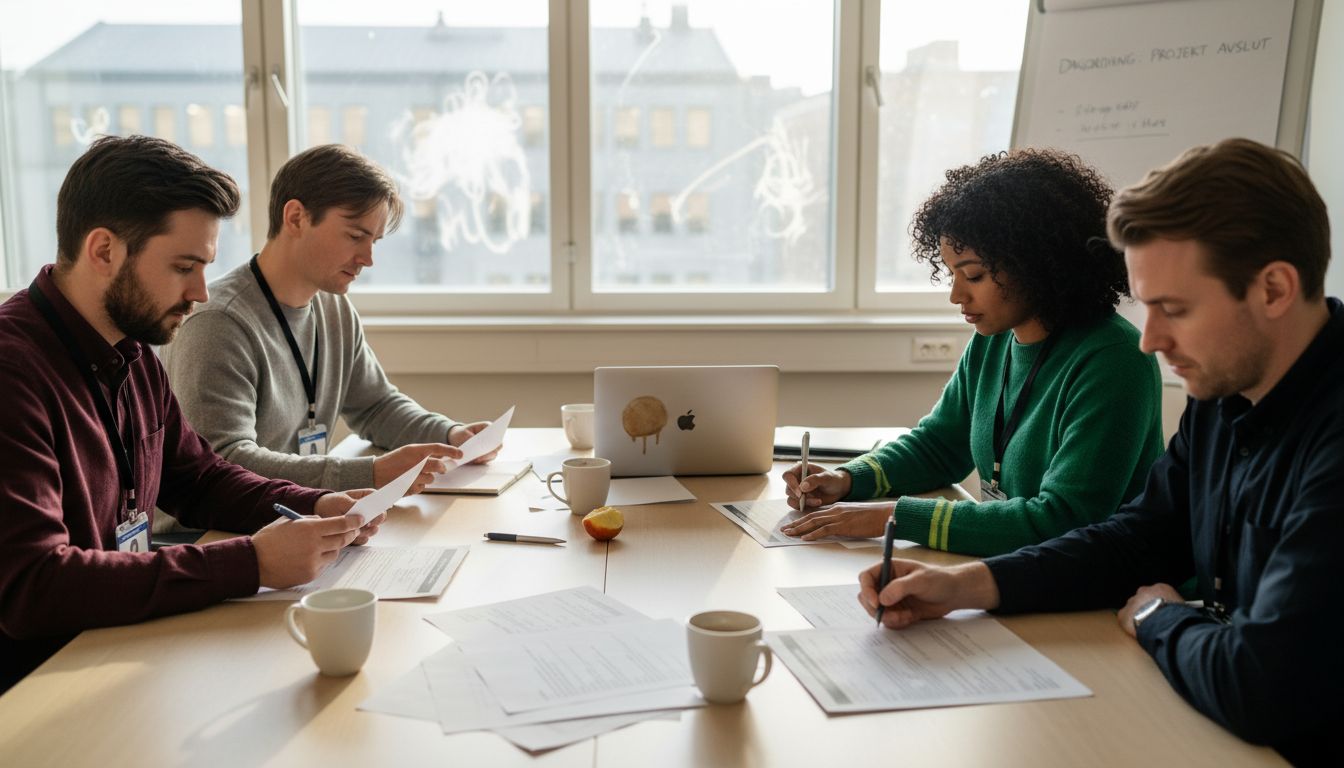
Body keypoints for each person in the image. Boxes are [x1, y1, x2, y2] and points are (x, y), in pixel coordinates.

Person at [857, 138, 1340, 765]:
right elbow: (1136, 539)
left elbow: (1261, 683)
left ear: (1273, 289)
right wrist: (965, 586)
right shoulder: (1226, 392)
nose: (1150, 341)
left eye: (1174, 309)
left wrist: (1156, 620)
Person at [0, 135, 384, 693]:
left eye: (205, 266)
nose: (201, 292)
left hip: (116, 643)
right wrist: (249, 564)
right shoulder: (13, 374)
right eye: (184, 266)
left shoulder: (130, 350)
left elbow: (198, 477)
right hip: (42, 683)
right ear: (104, 251)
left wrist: (314, 503)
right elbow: (34, 587)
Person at [782, 149, 1163, 556]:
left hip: (1105, 589)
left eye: (974, 275)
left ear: (1037, 262)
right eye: (952, 274)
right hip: (1023, 569)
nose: (955, 295)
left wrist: (893, 517)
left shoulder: (1113, 359)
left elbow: (1063, 518)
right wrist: (847, 479)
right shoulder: (994, 339)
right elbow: (939, 445)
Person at [162, 144, 497, 504]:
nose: (367, 259)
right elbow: (225, 462)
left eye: (374, 241)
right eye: (355, 236)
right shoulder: (218, 323)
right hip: (214, 536)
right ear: (295, 218)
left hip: (297, 516)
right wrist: (368, 474)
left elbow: (375, 405)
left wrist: (450, 435)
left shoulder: (333, 307)